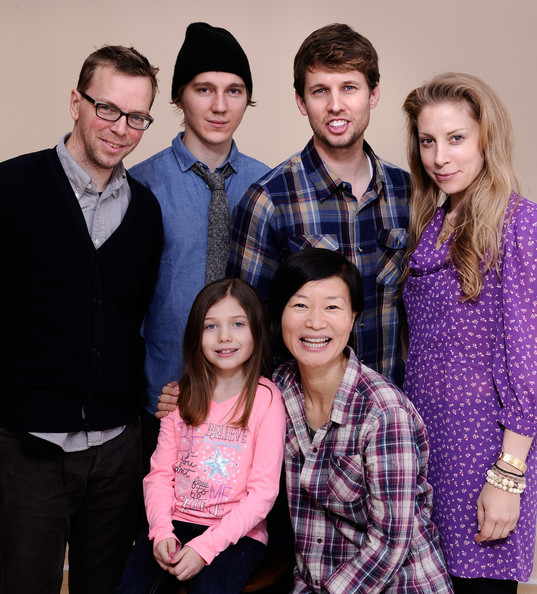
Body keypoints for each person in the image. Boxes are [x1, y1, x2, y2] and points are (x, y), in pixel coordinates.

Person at [0, 46, 163, 593]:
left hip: (117, 447)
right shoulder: (12, 187)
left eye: (137, 116)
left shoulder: (145, 211)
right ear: (76, 102)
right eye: (107, 109)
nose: (121, 128)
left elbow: (131, 315)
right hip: (29, 446)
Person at [402, 72, 537, 593]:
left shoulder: (518, 225)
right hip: (425, 451)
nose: (441, 156)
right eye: (428, 140)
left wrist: (507, 476)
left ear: (486, 140)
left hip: (487, 453)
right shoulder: (434, 222)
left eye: (456, 138)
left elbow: (527, 361)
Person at [228, 23, 410, 387]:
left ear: (373, 94)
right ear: (300, 101)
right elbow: (245, 328)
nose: (335, 105)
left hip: (391, 418)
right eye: (320, 91)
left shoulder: (407, 191)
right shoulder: (268, 201)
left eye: (349, 88)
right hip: (301, 423)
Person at [267, 247, 453, 593]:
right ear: (280, 313)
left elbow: (389, 544)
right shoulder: (278, 389)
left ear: (353, 317)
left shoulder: (383, 412)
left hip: (397, 583)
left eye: (332, 306)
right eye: (300, 305)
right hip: (312, 581)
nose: (315, 322)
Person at [129, 22, 270, 467]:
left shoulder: (267, 186)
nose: (220, 106)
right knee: (157, 533)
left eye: (234, 90)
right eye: (203, 89)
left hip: (246, 408)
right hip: (162, 403)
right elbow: (121, 303)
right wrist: (143, 388)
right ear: (178, 97)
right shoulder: (140, 186)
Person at [119, 279, 286, 593]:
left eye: (238, 324)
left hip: (237, 533)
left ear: (257, 331)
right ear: (196, 334)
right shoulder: (180, 396)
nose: (224, 336)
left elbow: (263, 494)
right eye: (211, 326)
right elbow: (159, 476)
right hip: (173, 523)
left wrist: (205, 547)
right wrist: (162, 532)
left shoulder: (266, 399)